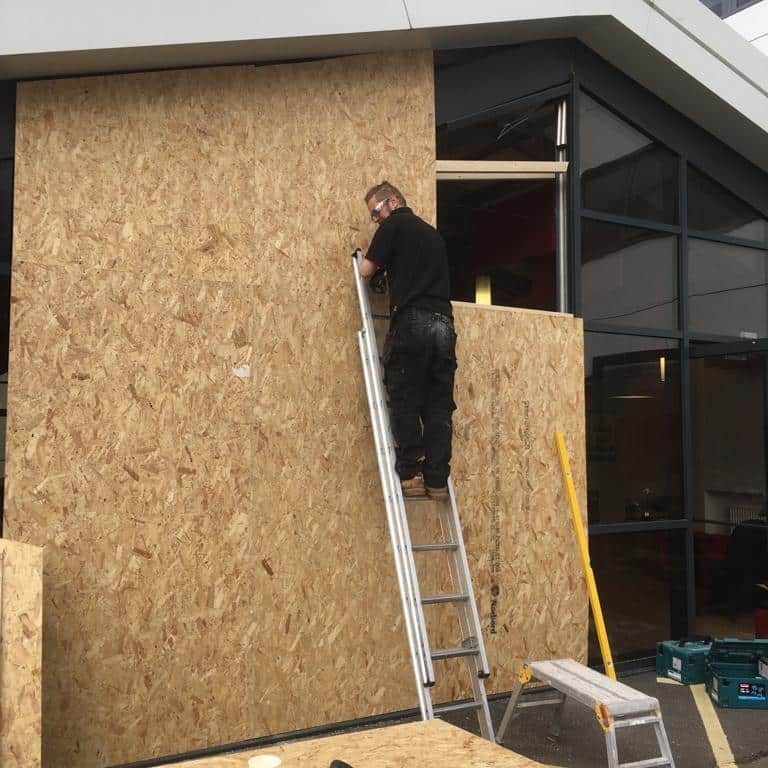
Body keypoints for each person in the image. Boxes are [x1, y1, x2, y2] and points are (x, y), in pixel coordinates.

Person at [359, 181, 457, 499]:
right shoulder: (432, 235)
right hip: (443, 325)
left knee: (405, 397)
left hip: (412, 321)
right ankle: (437, 480)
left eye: (376, 210)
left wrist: (371, 266)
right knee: (438, 404)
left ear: (395, 201)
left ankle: (410, 474)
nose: (375, 219)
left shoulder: (396, 223)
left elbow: (364, 269)